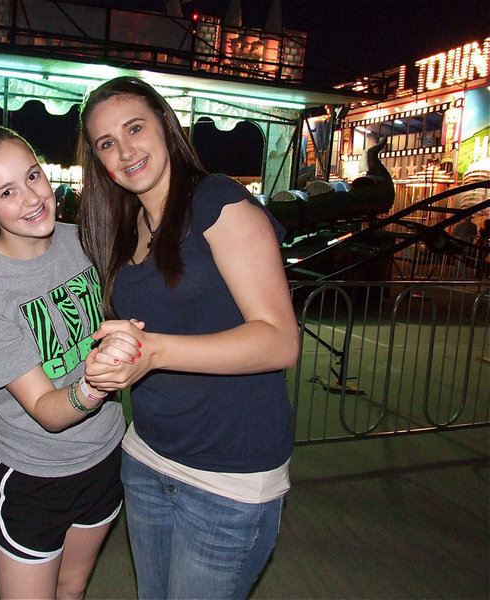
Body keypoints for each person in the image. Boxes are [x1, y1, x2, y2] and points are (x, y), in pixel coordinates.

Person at [77, 77, 301, 599]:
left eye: (135, 129)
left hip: (229, 478)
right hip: (148, 459)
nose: (125, 150)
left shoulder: (217, 200)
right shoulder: (124, 225)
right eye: (106, 143)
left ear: (165, 126)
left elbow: (279, 340)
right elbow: (150, 328)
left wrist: (155, 352)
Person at [0, 125, 140, 600]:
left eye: (33, 177)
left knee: (72, 589)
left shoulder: (84, 242)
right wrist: (97, 382)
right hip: (35, 477)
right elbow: (49, 412)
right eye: (7, 192)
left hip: (105, 457)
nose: (32, 198)